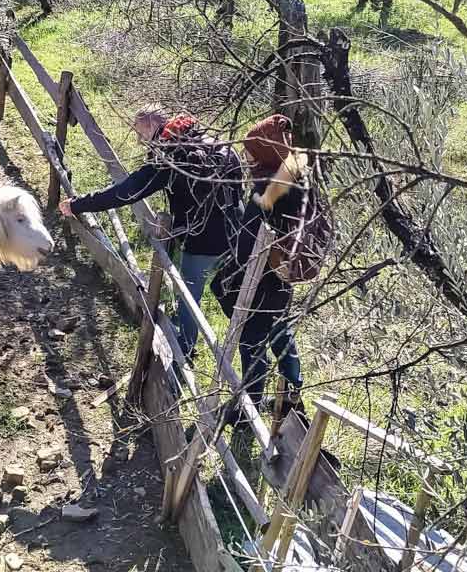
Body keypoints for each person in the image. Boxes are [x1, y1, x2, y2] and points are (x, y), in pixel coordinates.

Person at [59, 105, 242, 358]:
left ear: (152, 126)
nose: (138, 140)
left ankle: (184, 350)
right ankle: (249, 345)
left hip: (201, 241)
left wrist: (79, 204)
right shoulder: (209, 139)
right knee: (237, 296)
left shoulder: (169, 157)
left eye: (140, 133)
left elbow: (126, 192)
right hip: (235, 234)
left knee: (189, 296)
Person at [211, 114, 305, 420]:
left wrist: (231, 268)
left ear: (263, 151)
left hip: (261, 281)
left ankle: (248, 408)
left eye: (250, 149)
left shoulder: (266, 188)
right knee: (280, 331)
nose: (246, 155)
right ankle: (293, 394)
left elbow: (246, 243)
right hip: (283, 276)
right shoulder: (297, 177)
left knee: (252, 342)